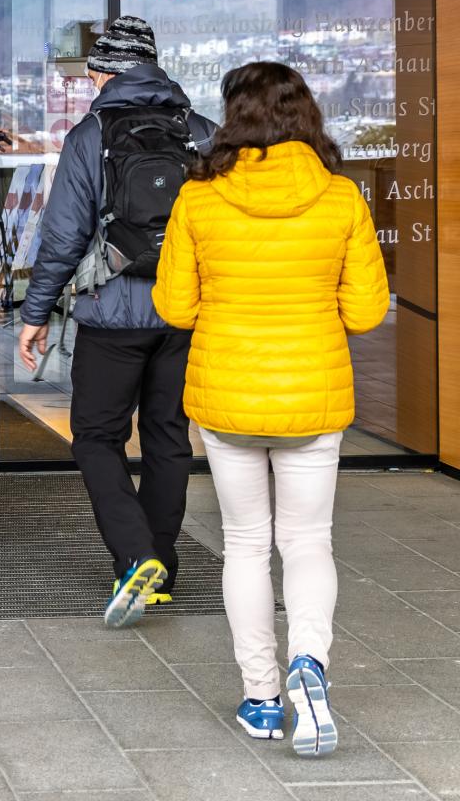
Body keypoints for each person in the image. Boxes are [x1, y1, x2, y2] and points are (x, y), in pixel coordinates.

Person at [153, 62, 388, 755]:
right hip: (312, 396)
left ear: (232, 118)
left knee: (247, 544)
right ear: (305, 114)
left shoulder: (199, 199)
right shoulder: (341, 197)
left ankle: (260, 699)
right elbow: (368, 310)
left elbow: (174, 306)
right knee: (309, 541)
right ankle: (308, 663)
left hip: (228, 397)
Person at [17, 15, 216, 628]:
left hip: (111, 314)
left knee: (97, 437)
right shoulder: (203, 132)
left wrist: (36, 313)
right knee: (167, 438)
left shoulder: (91, 133)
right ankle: (159, 572)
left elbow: (64, 236)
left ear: (105, 72)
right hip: (185, 312)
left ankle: (136, 558)